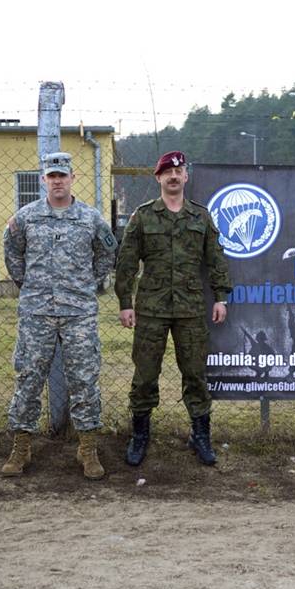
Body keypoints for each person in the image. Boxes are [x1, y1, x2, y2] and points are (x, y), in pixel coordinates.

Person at [1, 152, 118, 479]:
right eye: (51, 176)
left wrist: (88, 283)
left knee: (84, 378)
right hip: (37, 312)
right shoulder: (26, 217)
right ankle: (21, 447)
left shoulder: (90, 218)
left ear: (72, 178)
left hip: (79, 313)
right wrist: (29, 284)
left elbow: (108, 252)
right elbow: (12, 251)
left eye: (62, 175)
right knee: (29, 377)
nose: (57, 181)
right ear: (43, 180)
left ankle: (88, 448)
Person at [114, 150, 232, 467]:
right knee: (145, 375)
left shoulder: (200, 217)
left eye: (179, 172)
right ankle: (140, 435)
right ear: (159, 178)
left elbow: (216, 259)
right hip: (151, 308)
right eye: (168, 172)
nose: (174, 176)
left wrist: (221, 296)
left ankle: (200, 435)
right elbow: (126, 262)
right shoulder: (142, 216)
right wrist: (125, 303)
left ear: (186, 177)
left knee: (195, 374)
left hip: (190, 309)